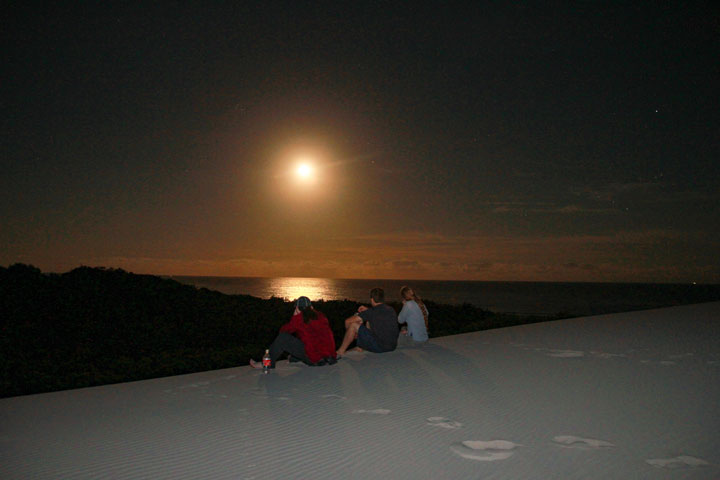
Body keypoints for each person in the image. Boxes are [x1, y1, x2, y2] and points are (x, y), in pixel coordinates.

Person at [250, 296, 336, 369]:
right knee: (308, 337)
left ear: (297, 308)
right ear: (312, 307)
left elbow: (283, 331)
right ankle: (294, 358)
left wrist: (294, 317)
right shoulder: (321, 316)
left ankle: (267, 363)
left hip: (315, 360)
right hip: (330, 358)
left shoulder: (299, 320)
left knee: (283, 338)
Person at [336, 287, 399, 357]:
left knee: (353, 325)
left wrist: (352, 335)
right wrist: (367, 310)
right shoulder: (391, 310)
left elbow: (347, 321)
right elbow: (378, 315)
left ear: (372, 299)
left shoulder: (371, 312)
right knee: (369, 322)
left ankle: (340, 351)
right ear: (383, 299)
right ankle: (361, 346)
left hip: (380, 347)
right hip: (392, 346)